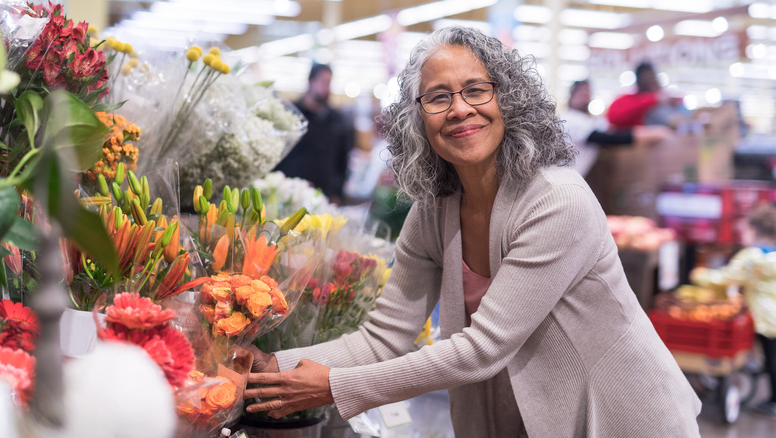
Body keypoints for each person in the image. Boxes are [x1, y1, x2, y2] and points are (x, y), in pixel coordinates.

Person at [245, 26, 701, 437]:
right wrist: (273, 369)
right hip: (528, 416)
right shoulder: (433, 212)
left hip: (622, 417)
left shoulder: (557, 200)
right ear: (417, 119)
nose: (460, 109)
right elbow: (385, 336)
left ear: (509, 100)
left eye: (476, 90)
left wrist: (334, 386)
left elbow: (482, 348)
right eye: (438, 97)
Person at [693, 202, 776, 417]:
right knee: (770, 359)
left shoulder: (752, 257)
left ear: (754, 230)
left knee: (771, 359)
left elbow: (726, 277)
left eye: (745, 230)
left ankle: (773, 402)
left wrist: (699, 275)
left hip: (767, 320)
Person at [274, 63, 355, 205]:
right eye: (323, 81)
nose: (326, 87)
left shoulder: (336, 119)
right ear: (310, 82)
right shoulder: (291, 114)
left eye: (329, 82)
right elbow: (278, 152)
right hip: (291, 194)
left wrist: (337, 192)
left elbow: (343, 159)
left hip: (324, 197)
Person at [562, 79, 670, 176]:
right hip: (565, 178)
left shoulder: (588, 120)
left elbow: (611, 129)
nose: (586, 99)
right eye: (582, 94)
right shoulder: (569, 119)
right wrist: (648, 134)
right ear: (571, 96)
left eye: (588, 94)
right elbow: (609, 138)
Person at [607, 61, 690, 130]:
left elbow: (685, 114)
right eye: (647, 78)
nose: (651, 82)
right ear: (639, 80)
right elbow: (614, 117)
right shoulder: (633, 101)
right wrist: (654, 99)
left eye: (652, 78)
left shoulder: (666, 100)